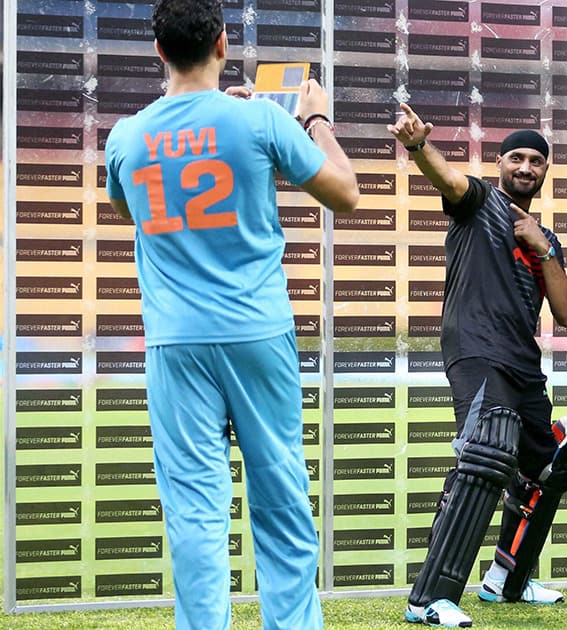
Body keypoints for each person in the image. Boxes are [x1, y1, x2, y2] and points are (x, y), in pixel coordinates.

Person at [104, 1, 358, 628]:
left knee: (193, 509)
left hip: (176, 341)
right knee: (280, 500)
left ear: (158, 51)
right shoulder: (263, 120)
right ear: (223, 43)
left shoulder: (126, 136)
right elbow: (346, 193)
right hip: (257, 333)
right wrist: (314, 118)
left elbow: (129, 206)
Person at [388, 103, 567, 627]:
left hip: (522, 361)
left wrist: (543, 250)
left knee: (550, 462)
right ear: (500, 164)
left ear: (544, 171)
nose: (525, 168)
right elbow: (447, 178)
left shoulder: (547, 239)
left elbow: (566, 313)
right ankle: (429, 598)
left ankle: (507, 580)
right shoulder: (480, 203)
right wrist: (416, 145)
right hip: (476, 348)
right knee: (487, 452)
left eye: (536, 161)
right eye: (516, 158)